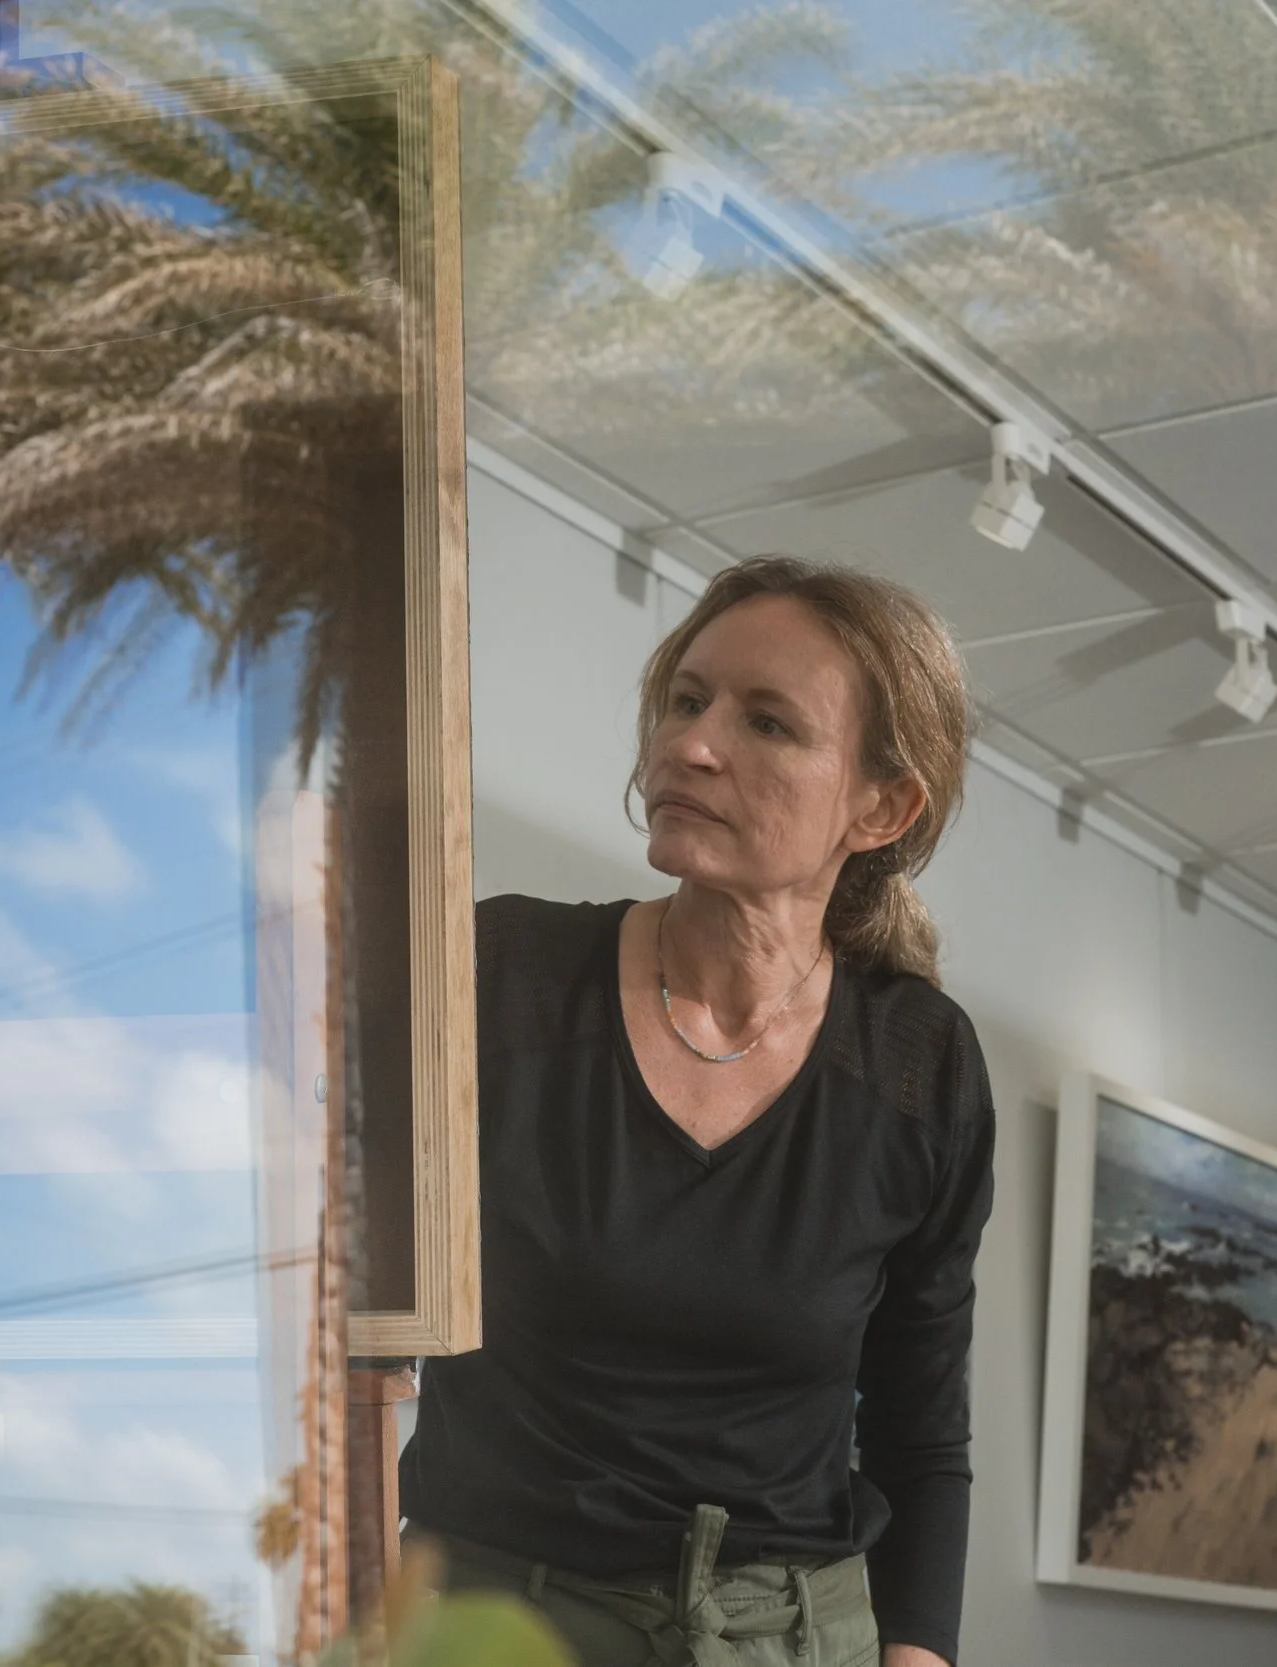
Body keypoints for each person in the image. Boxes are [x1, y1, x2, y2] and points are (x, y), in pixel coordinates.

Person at [401, 556, 997, 1667]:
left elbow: (921, 1431)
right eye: (687, 698)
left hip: (786, 1633)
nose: (692, 743)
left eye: (767, 722)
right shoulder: (498, 971)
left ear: (881, 805)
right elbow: (347, 1317)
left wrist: (917, 1656)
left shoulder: (922, 1063)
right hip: (487, 1627)